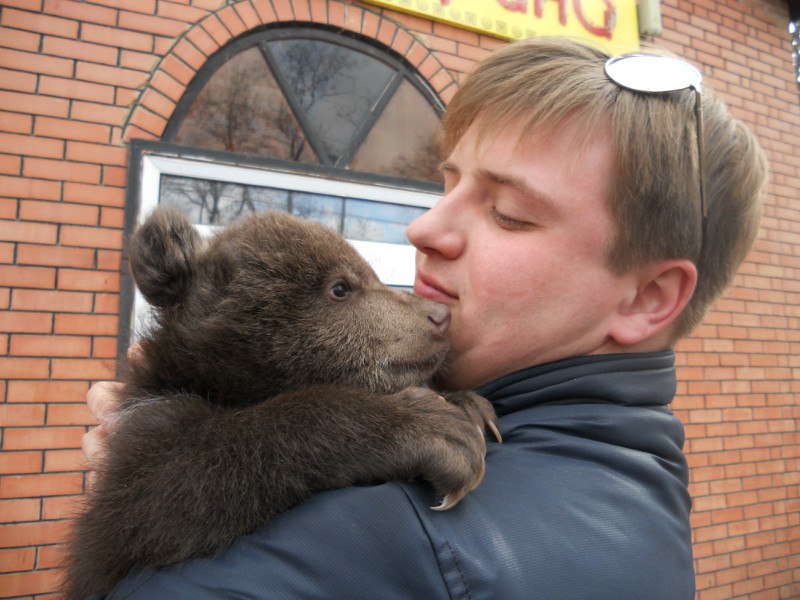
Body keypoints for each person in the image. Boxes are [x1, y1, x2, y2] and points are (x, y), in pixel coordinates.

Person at [82, 36, 766, 598]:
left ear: (647, 298)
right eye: (445, 186)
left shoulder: (407, 549)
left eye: (509, 213)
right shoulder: (635, 472)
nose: (425, 227)